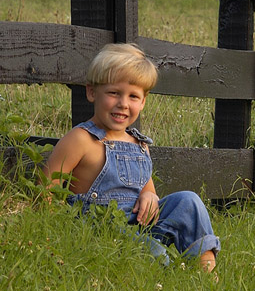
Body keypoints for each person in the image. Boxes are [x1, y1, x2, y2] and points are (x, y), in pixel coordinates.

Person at [43, 43, 220, 271]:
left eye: (133, 96)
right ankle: (162, 267)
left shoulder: (140, 145)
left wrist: (149, 196)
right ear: (91, 92)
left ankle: (206, 271)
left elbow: (148, 190)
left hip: (139, 224)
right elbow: (47, 187)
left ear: (143, 101)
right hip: (101, 229)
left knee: (189, 201)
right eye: (114, 93)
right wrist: (54, 237)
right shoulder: (81, 139)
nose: (123, 103)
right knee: (153, 252)